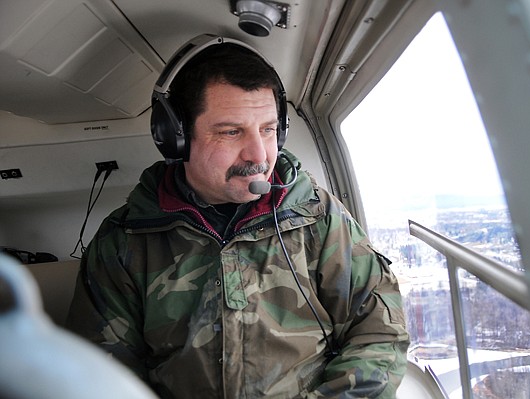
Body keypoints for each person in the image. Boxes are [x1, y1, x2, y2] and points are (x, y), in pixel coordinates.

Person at [67, 34, 410, 398]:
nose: (259, 154)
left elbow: (380, 331)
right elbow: (102, 374)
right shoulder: (123, 240)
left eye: (268, 129)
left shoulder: (318, 217)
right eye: (231, 132)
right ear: (176, 138)